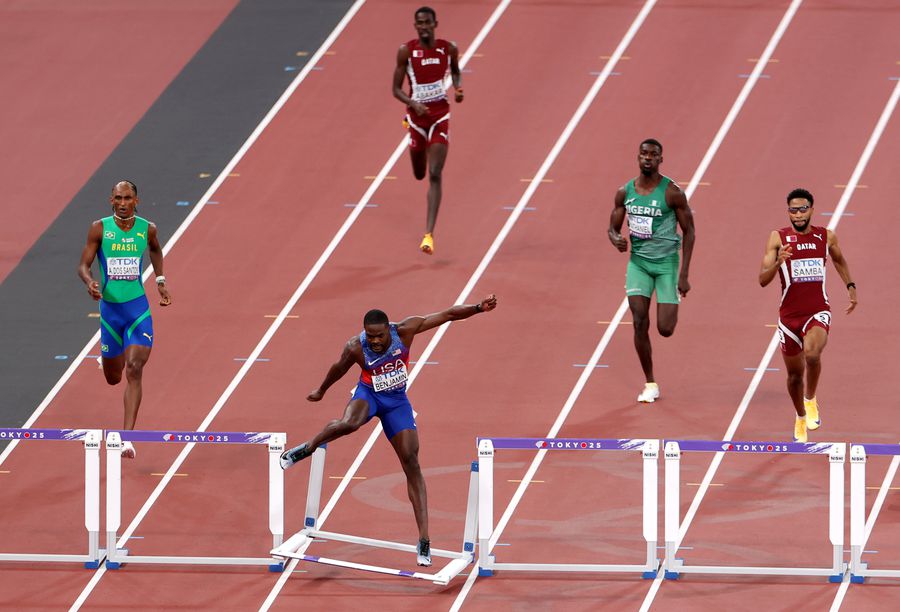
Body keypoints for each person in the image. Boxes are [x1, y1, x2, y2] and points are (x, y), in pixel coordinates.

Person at [280, 294, 498, 567]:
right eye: (370, 336)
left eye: (379, 335)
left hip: (396, 402)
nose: (375, 341)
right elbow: (338, 368)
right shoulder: (355, 347)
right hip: (368, 394)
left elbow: (448, 314)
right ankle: (307, 447)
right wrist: (321, 390)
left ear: (388, 330)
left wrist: (478, 308)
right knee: (349, 423)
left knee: (411, 462)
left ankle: (424, 540)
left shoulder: (405, 331)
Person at [78, 181, 172, 457]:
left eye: (127, 198)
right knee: (113, 377)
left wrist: (161, 280)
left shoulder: (147, 228)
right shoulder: (100, 228)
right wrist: (89, 281)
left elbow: (155, 249)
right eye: (117, 198)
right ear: (111, 200)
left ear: (136, 200)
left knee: (134, 368)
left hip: (137, 310)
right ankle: (109, 357)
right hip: (110, 313)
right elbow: (83, 263)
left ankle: (126, 438)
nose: (122, 203)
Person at [758, 188, 856, 442]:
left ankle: (810, 400)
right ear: (788, 211)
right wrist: (778, 262)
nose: (798, 214)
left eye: (803, 209)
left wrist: (850, 286)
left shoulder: (826, 236)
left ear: (812, 209)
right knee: (793, 377)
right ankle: (801, 416)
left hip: (817, 311)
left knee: (812, 354)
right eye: (793, 209)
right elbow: (762, 280)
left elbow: (839, 261)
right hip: (789, 318)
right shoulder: (777, 238)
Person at [608, 139, 695, 403]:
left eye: (653, 155)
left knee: (665, 329)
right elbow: (612, 226)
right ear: (638, 157)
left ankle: (672, 296)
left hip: (666, 264)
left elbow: (690, 231)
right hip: (639, 264)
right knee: (638, 320)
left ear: (660, 160)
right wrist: (615, 238)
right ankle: (650, 383)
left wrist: (684, 274)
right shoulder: (625, 192)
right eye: (644, 154)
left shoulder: (672, 193)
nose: (648, 158)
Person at [392, 5, 463, 255]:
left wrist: (459, 88)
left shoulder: (447, 48)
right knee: (419, 173)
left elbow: (455, 70)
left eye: (427, 22)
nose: (423, 26)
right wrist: (413, 104)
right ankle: (410, 131)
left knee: (434, 173)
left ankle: (428, 235)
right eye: (419, 23)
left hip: (439, 116)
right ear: (415, 26)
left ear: (435, 24)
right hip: (416, 118)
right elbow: (395, 89)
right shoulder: (407, 52)